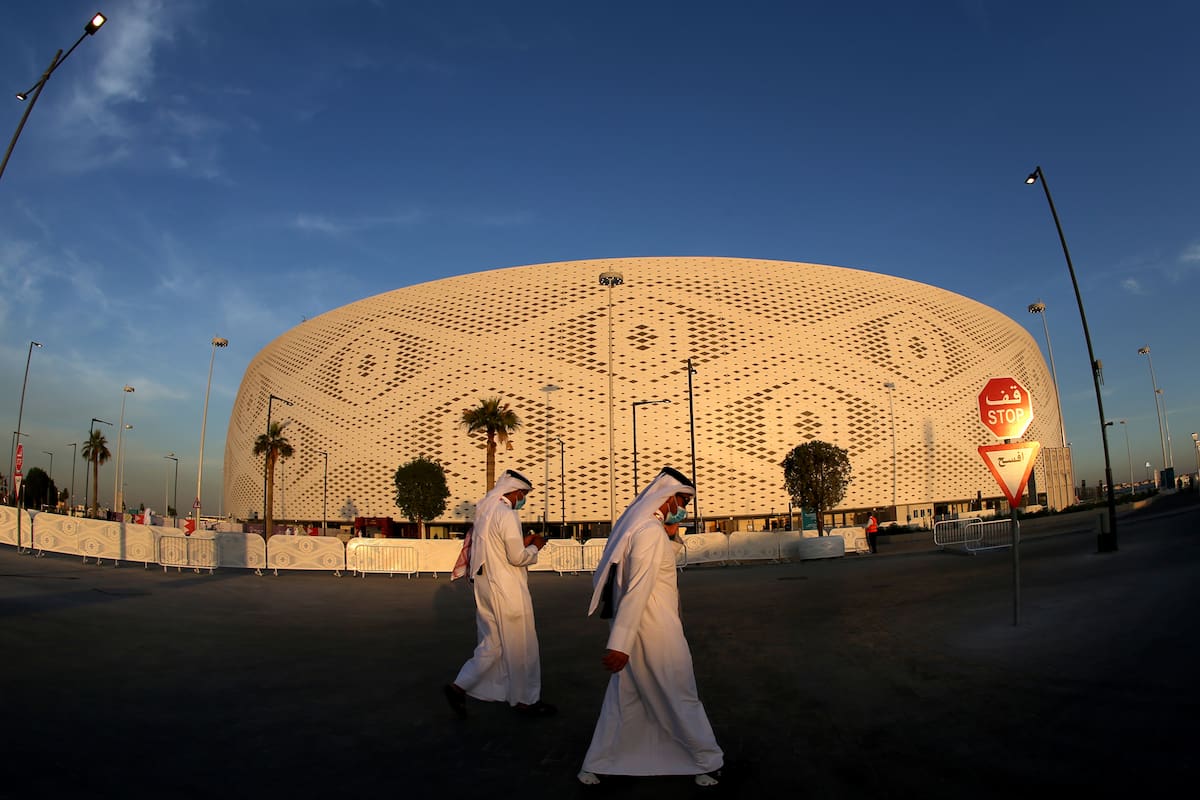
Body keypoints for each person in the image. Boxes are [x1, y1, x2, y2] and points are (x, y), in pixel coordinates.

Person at [578, 467, 723, 788]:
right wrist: (621, 643)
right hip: (654, 629)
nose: (683, 508)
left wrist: (671, 537)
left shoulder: (646, 529)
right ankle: (707, 760)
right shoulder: (648, 532)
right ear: (667, 497)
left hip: (643, 627)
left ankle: (598, 762)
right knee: (680, 693)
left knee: (624, 699)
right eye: (682, 500)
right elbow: (637, 587)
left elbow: (655, 568)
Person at [444, 470, 553, 718]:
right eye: (523, 495)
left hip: (484, 587)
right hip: (507, 589)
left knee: (492, 644)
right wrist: (536, 546)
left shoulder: (486, 512)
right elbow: (516, 557)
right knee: (521, 646)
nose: (523, 499)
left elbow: (496, 548)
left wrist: (524, 543)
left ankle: (458, 687)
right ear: (513, 492)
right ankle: (526, 701)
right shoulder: (506, 514)